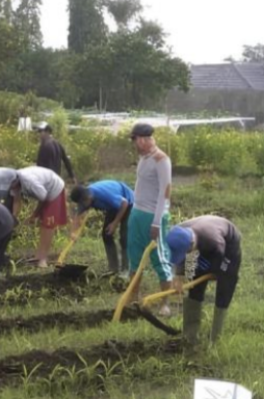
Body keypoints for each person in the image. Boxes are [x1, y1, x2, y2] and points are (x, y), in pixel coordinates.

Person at [166, 216, 242, 345]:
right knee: (195, 288)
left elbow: (220, 258)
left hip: (228, 247)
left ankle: (215, 340)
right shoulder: (177, 233)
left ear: (191, 245)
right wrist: (178, 277)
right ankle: (190, 335)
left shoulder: (213, 241)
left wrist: (215, 272)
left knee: (225, 286)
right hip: (203, 242)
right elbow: (180, 257)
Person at [126, 122, 173, 314]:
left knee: (160, 258)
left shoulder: (161, 159)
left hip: (154, 216)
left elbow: (165, 192)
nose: (134, 144)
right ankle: (132, 298)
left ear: (144, 140)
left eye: (136, 140)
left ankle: (165, 304)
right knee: (134, 258)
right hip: (137, 214)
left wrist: (156, 222)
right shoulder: (143, 158)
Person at [69, 180, 134, 275]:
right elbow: (77, 216)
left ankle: (126, 269)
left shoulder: (103, 195)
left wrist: (114, 223)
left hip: (128, 203)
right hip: (113, 207)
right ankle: (113, 268)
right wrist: (73, 233)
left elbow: (124, 203)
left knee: (124, 237)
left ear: (86, 198)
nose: (83, 206)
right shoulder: (85, 199)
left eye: (83, 203)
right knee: (106, 234)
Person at [11, 166, 67, 268]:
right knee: (43, 223)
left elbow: (44, 197)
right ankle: (38, 257)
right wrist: (13, 218)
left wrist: (35, 214)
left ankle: (42, 259)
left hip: (54, 189)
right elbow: (16, 200)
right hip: (44, 189)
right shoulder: (13, 181)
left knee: (48, 224)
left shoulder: (30, 182)